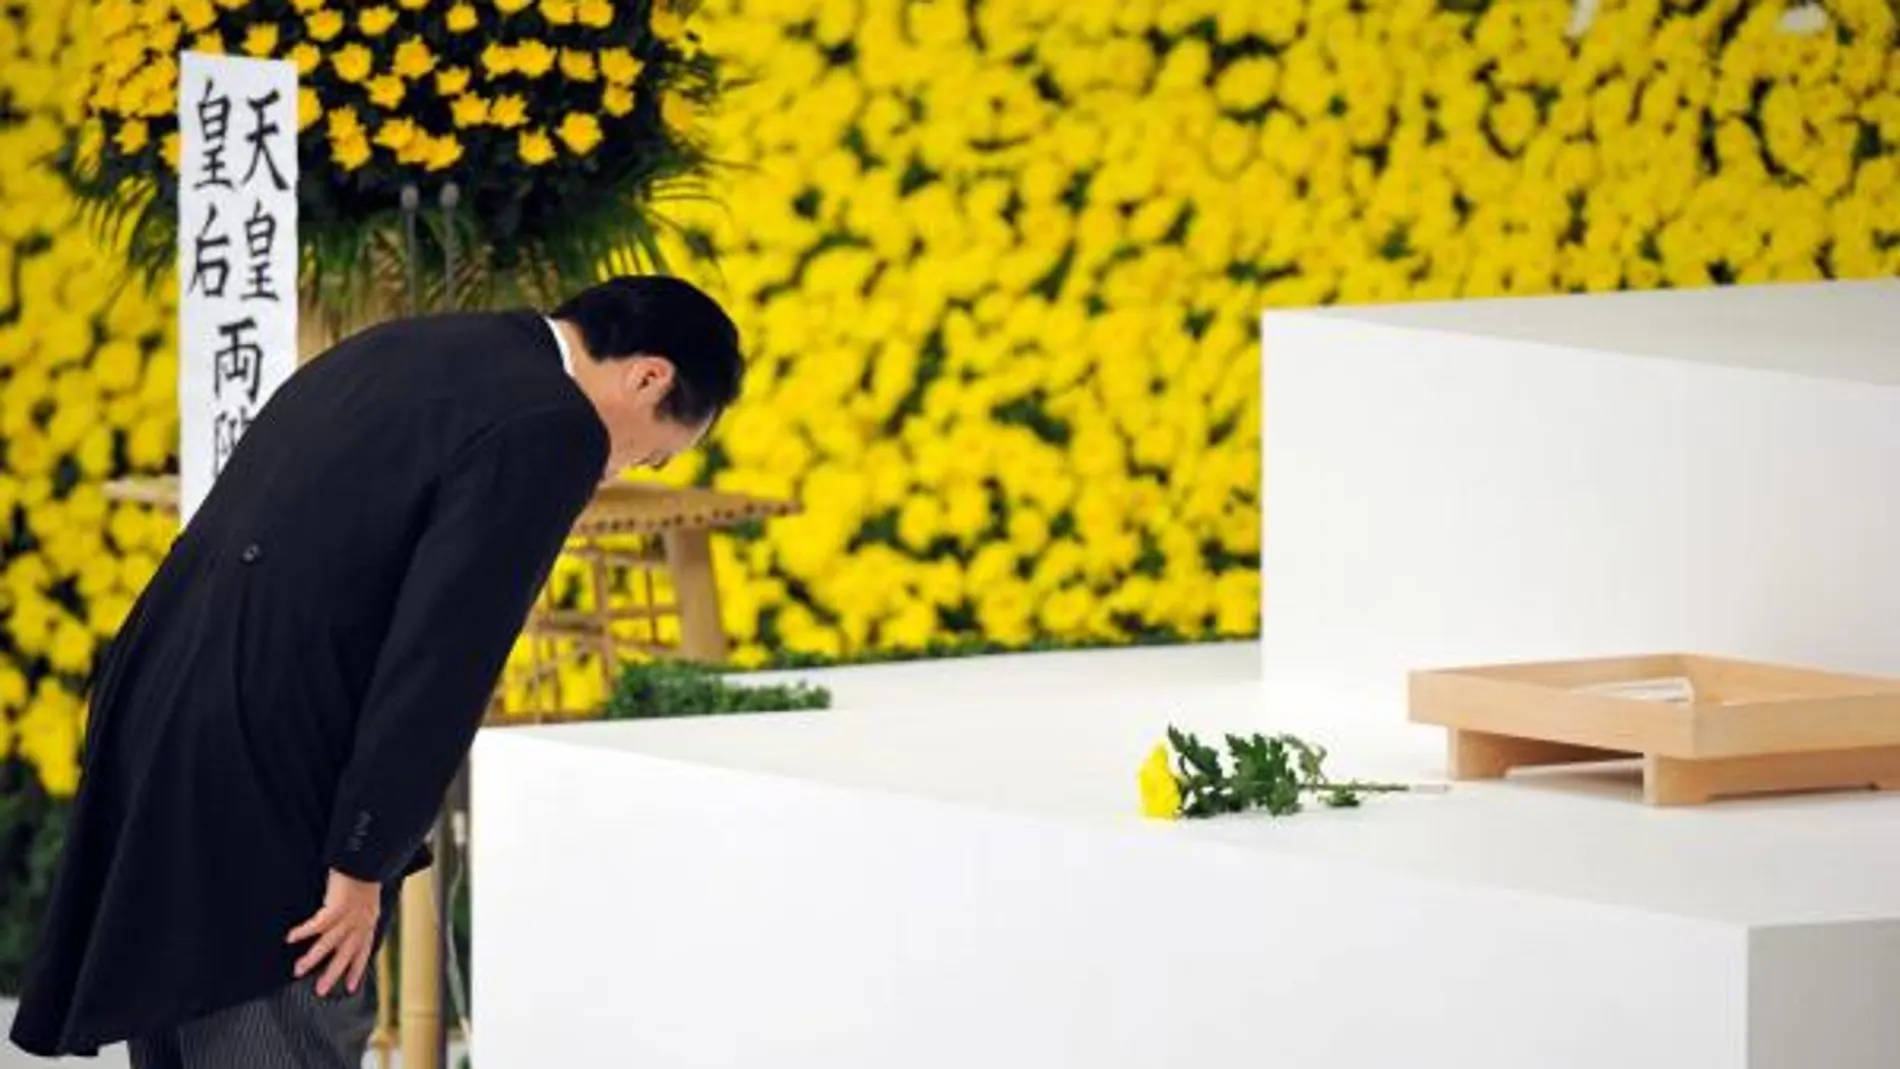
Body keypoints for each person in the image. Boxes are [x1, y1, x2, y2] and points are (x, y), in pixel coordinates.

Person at [8, 275, 744, 1067]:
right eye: (655, 452)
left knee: (184, 1028)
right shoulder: (552, 425)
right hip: (271, 751)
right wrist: (362, 861)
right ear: (648, 376)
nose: (623, 471)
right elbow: (440, 660)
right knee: (279, 1011)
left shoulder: (414, 344)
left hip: (161, 698)